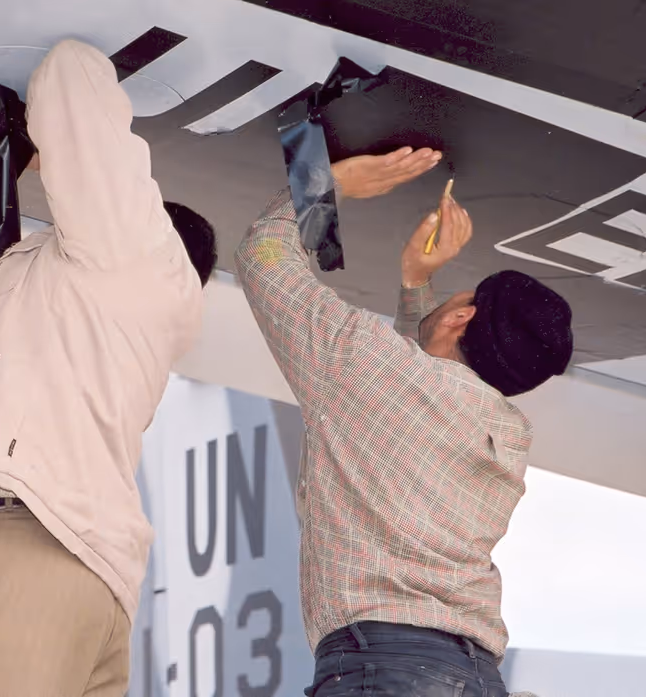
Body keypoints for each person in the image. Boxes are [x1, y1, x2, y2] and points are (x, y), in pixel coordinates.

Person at [0, 39, 219, 696]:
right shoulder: (73, 310)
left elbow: (71, 80)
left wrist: (50, 35)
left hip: (15, 542)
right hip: (79, 572)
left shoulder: (133, 255)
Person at [235, 147, 574, 697]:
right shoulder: (508, 434)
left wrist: (325, 183)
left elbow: (263, 255)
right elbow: (408, 394)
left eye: (464, 296)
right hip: (474, 676)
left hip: (385, 666)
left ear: (463, 314)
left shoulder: (367, 369)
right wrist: (416, 282)